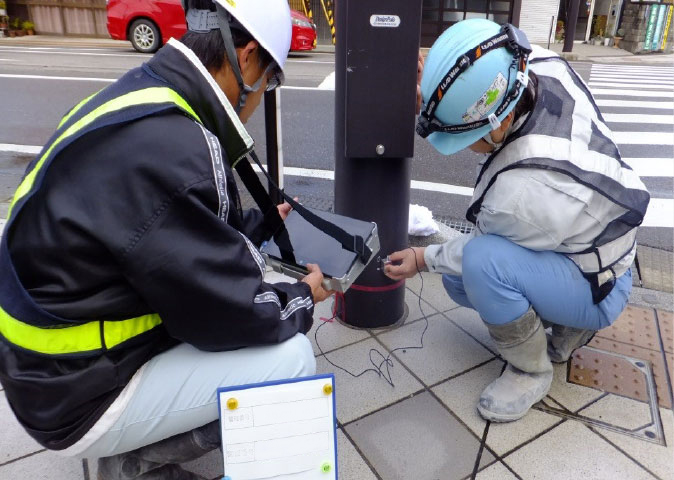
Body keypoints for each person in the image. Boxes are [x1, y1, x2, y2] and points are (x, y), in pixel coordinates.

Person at [0, 0, 333, 478]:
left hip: (42, 364)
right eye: (270, 80)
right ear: (247, 58)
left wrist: (259, 227)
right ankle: (135, 461)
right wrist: (301, 297)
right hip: (73, 397)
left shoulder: (139, 95)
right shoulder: (182, 148)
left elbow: (166, 234)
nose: (263, 95)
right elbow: (224, 312)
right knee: (291, 358)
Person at [386, 19, 649, 423]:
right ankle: (564, 322)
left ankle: (530, 369)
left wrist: (423, 259)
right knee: (464, 275)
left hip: (600, 283)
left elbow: (481, 252)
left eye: (461, 136)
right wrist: (434, 89)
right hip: (603, 246)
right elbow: (476, 72)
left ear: (498, 123)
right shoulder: (536, 66)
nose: (461, 147)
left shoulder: (520, 194)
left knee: (475, 271)